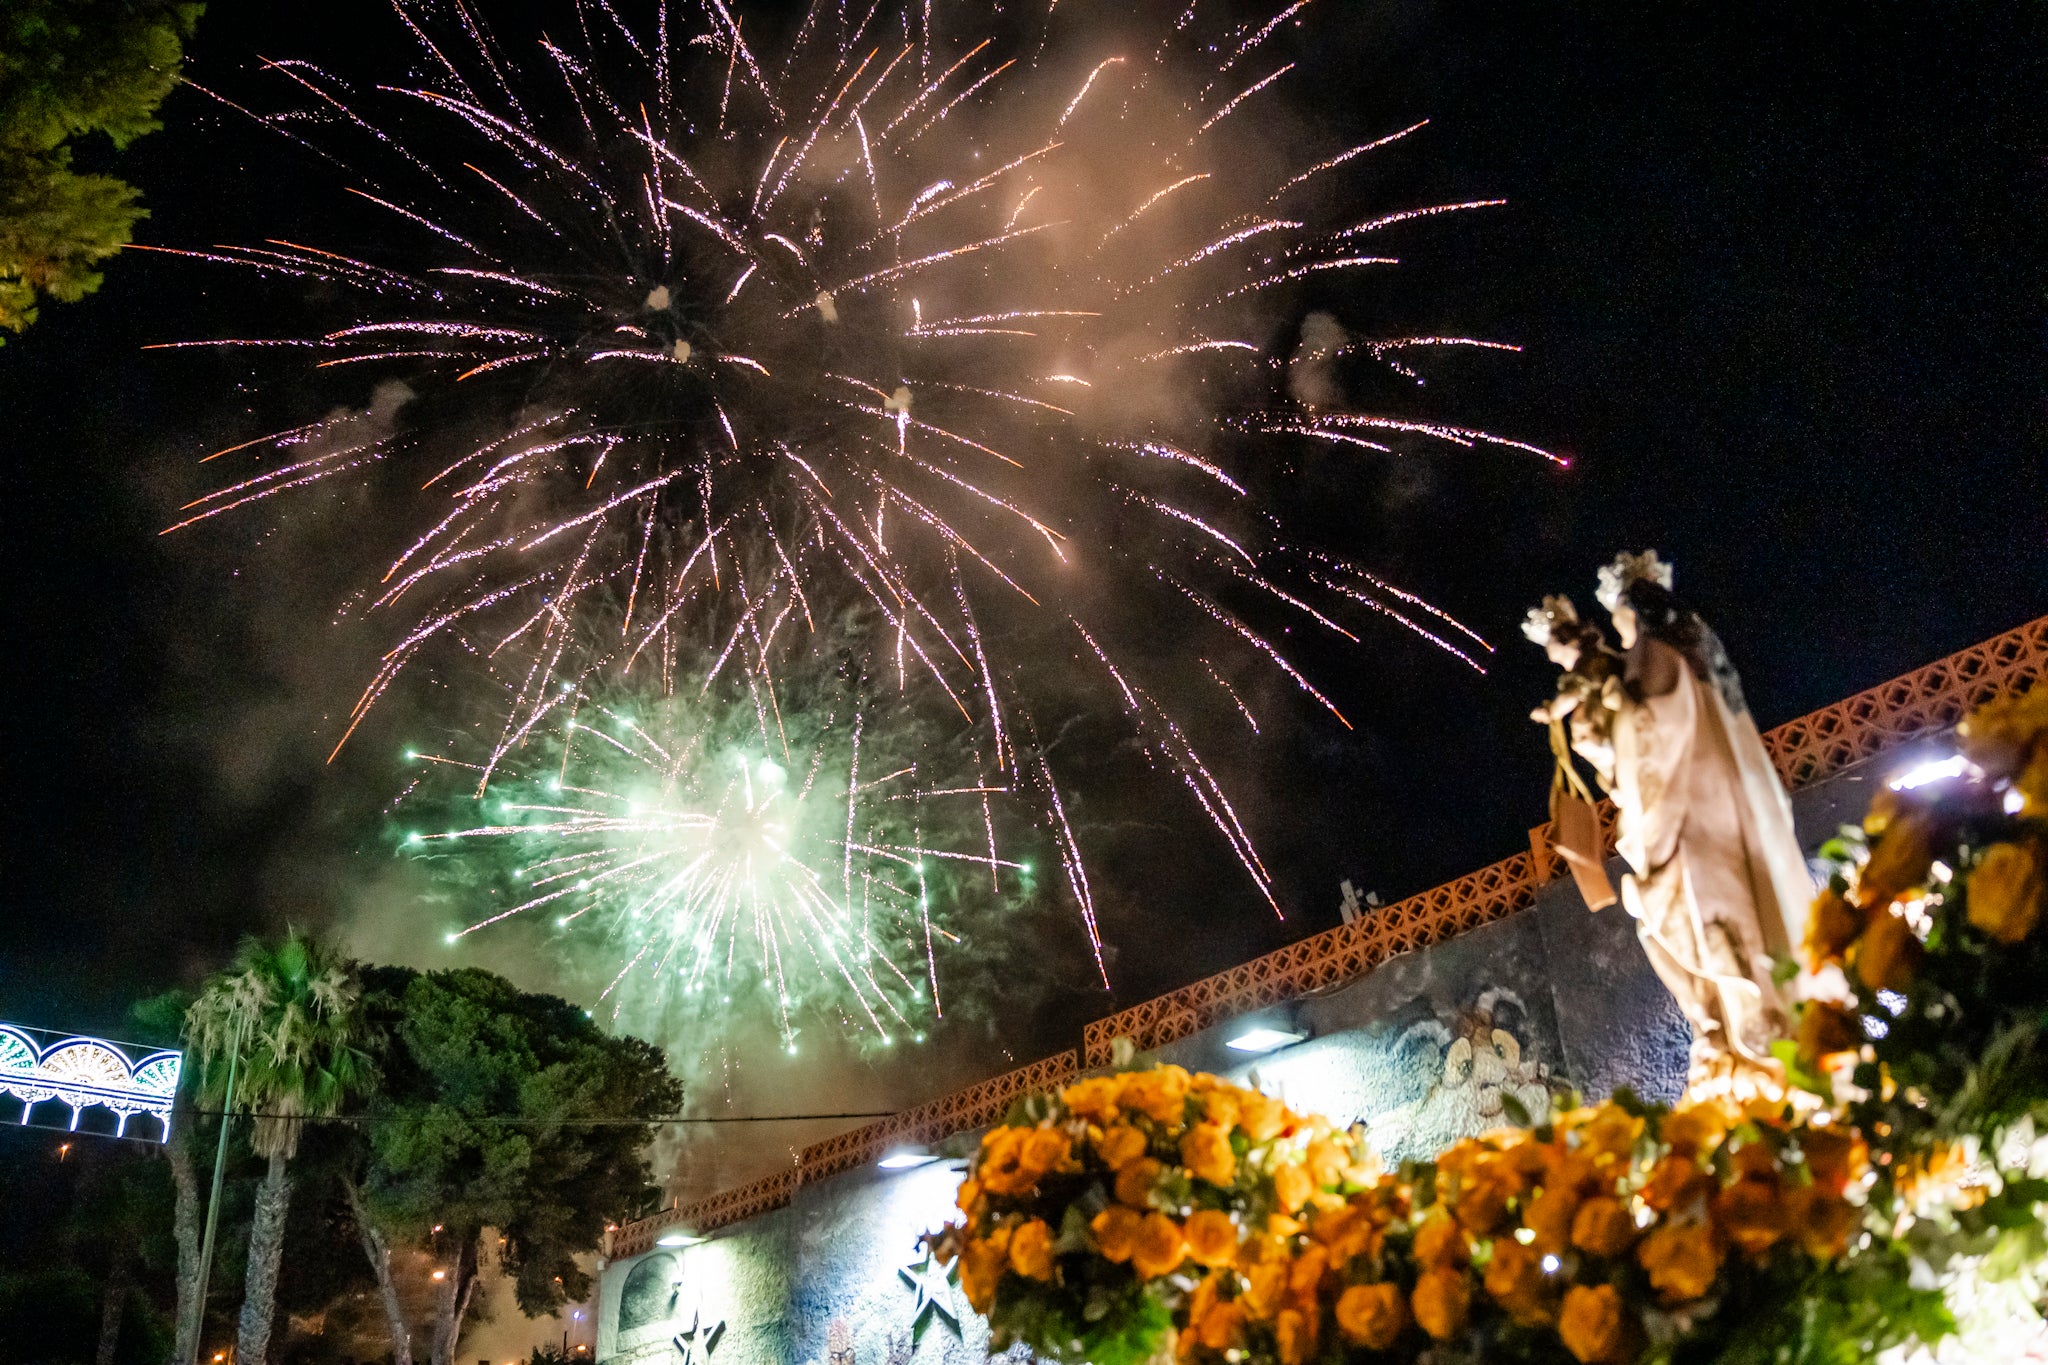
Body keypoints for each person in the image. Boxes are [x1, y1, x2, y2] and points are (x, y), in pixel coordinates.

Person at [1537, 553, 1814, 1088]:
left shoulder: (1659, 651)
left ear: (1634, 610)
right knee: (1674, 921)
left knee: (1712, 919)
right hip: (1689, 808)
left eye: (1619, 617)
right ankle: (1726, 1033)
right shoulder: (1676, 649)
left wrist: (1607, 722)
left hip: (1695, 813)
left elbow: (1655, 722)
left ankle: (1753, 1036)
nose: (1616, 630)